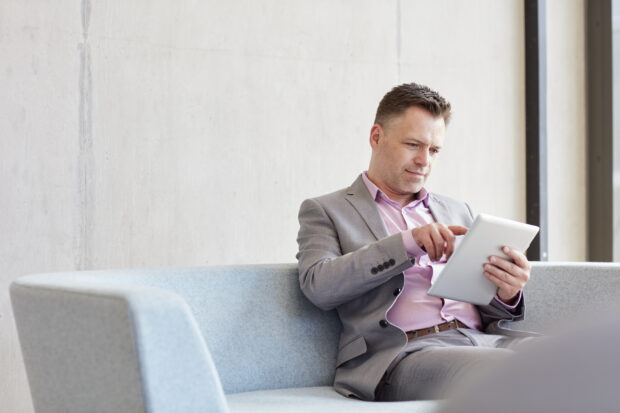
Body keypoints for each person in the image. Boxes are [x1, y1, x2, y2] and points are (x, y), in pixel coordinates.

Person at [296, 82, 533, 402]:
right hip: (404, 355)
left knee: (591, 361)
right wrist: (406, 243)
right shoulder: (327, 210)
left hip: (484, 341)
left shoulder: (456, 210)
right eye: (413, 145)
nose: (424, 160)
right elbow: (318, 286)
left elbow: (488, 310)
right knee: (516, 372)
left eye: (434, 150)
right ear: (376, 137)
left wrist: (506, 292)